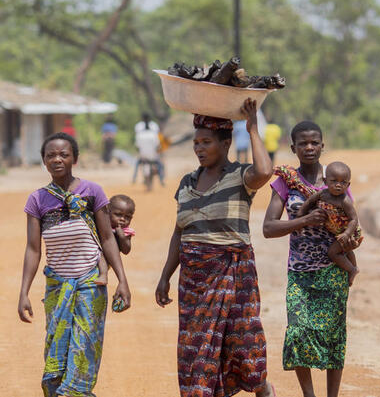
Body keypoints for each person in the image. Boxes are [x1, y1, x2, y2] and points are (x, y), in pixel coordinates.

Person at [155, 98, 277, 397]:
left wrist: (251, 130)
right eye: (196, 143)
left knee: (243, 347)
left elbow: (264, 171)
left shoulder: (240, 177)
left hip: (234, 277)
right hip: (193, 283)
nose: (198, 148)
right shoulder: (186, 183)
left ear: (225, 144)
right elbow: (179, 232)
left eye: (206, 142)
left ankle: (263, 389)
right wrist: (165, 275)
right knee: (197, 351)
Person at [18, 132, 131, 397]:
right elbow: (34, 249)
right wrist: (23, 292)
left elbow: (106, 238)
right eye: (50, 155)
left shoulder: (92, 192)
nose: (57, 159)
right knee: (57, 353)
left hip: (91, 284)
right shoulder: (37, 200)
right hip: (57, 286)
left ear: (75, 159)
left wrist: (122, 281)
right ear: (44, 161)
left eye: (63, 154)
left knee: (84, 350)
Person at [262, 121, 358, 397]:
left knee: (333, 335)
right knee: (298, 331)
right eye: (303, 143)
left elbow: (351, 221)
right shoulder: (285, 182)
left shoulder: (336, 179)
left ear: (322, 146)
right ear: (293, 148)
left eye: (315, 142)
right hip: (300, 272)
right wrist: (304, 220)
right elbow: (268, 228)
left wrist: (349, 250)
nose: (309, 147)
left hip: (333, 270)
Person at [290, 161, 363, 286]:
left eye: (343, 182)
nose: (338, 185)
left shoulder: (345, 200)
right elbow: (309, 201)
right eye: (334, 181)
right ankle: (353, 268)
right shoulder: (323, 194)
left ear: (348, 184)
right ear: (325, 181)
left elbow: (353, 219)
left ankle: (352, 269)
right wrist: (301, 214)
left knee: (333, 252)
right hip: (337, 232)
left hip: (348, 231)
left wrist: (346, 234)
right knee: (345, 251)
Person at [95, 194, 136, 286]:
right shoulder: (102, 223)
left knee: (102, 256)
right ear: (108, 212)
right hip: (92, 255)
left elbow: (126, 250)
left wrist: (122, 237)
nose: (122, 219)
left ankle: (103, 275)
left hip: (108, 257)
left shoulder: (126, 231)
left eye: (127, 217)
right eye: (118, 215)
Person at [133, 114, 165, 186]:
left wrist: (140, 152)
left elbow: (137, 146)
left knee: (137, 165)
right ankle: (161, 180)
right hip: (153, 156)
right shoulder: (154, 131)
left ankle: (134, 178)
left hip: (143, 156)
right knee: (160, 165)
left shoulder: (139, 132)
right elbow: (157, 145)